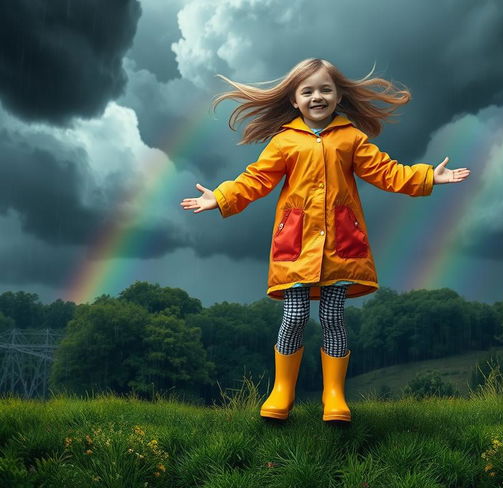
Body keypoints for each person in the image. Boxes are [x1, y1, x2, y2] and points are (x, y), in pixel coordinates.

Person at [179, 58, 470, 423]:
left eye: (325, 89)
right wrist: (219, 197)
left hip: (340, 247)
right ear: (294, 101)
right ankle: (282, 390)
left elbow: (386, 172)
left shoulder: (351, 138)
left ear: (338, 96)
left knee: (333, 317)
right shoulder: (284, 141)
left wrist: (428, 177)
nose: (317, 96)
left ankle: (334, 396)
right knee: (296, 314)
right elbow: (256, 179)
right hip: (296, 245)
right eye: (308, 91)